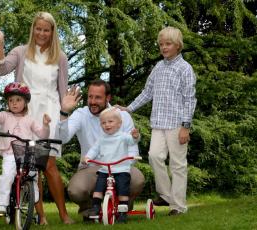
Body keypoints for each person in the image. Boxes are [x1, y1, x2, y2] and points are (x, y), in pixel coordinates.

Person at [0, 12, 73, 224]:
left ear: (52, 32)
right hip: (25, 113)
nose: (41, 33)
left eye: (46, 29)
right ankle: (40, 215)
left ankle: (64, 214)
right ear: (33, 29)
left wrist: (63, 116)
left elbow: (63, 91)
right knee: (31, 167)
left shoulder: (60, 57)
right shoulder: (21, 51)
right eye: (38, 28)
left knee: (49, 164)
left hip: (48, 114)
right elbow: (1, 69)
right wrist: (0, 42)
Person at [115, 26, 197, 216]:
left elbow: (190, 98)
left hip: (177, 124)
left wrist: (186, 126)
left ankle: (178, 206)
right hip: (158, 124)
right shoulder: (158, 67)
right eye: (161, 44)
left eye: (168, 44)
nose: (164, 47)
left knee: (177, 164)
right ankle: (166, 195)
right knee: (154, 156)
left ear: (178, 46)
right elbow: (147, 93)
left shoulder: (185, 69)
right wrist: (128, 108)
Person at [56, 79, 145, 221]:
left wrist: (121, 170)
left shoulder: (122, 115)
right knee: (76, 190)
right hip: (91, 167)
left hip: (120, 166)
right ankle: (90, 208)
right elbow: (62, 138)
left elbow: (132, 147)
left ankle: (123, 202)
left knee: (138, 179)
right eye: (90, 97)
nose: (92, 101)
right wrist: (64, 112)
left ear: (107, 98)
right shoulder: (81, 114)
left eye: (98, 97)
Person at [0, 82, 51, 215]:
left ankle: (33, 194)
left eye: (18, 100)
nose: (14, 103)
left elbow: (42, 135)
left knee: (33, 173)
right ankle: (2, 205)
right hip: (9, 154)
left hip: (26, 154)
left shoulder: (30, 119)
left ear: (26, 102)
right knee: (7, 176)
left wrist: (45, 125)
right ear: (8, 103)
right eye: (11, 100)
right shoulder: (4, 115)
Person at [82, 107, 141, 223]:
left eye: (110, 121)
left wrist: (135, 136)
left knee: (122, 190)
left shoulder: (123, 136)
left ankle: (123, 212)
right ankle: (95, 208)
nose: (106, 125)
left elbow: (133, 141)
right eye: (103, 123)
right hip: (105, 169)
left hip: (121, 169)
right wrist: (88, 157)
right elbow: (94, 149)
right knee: (98, 189)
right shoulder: (101, 139)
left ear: (119, 124)